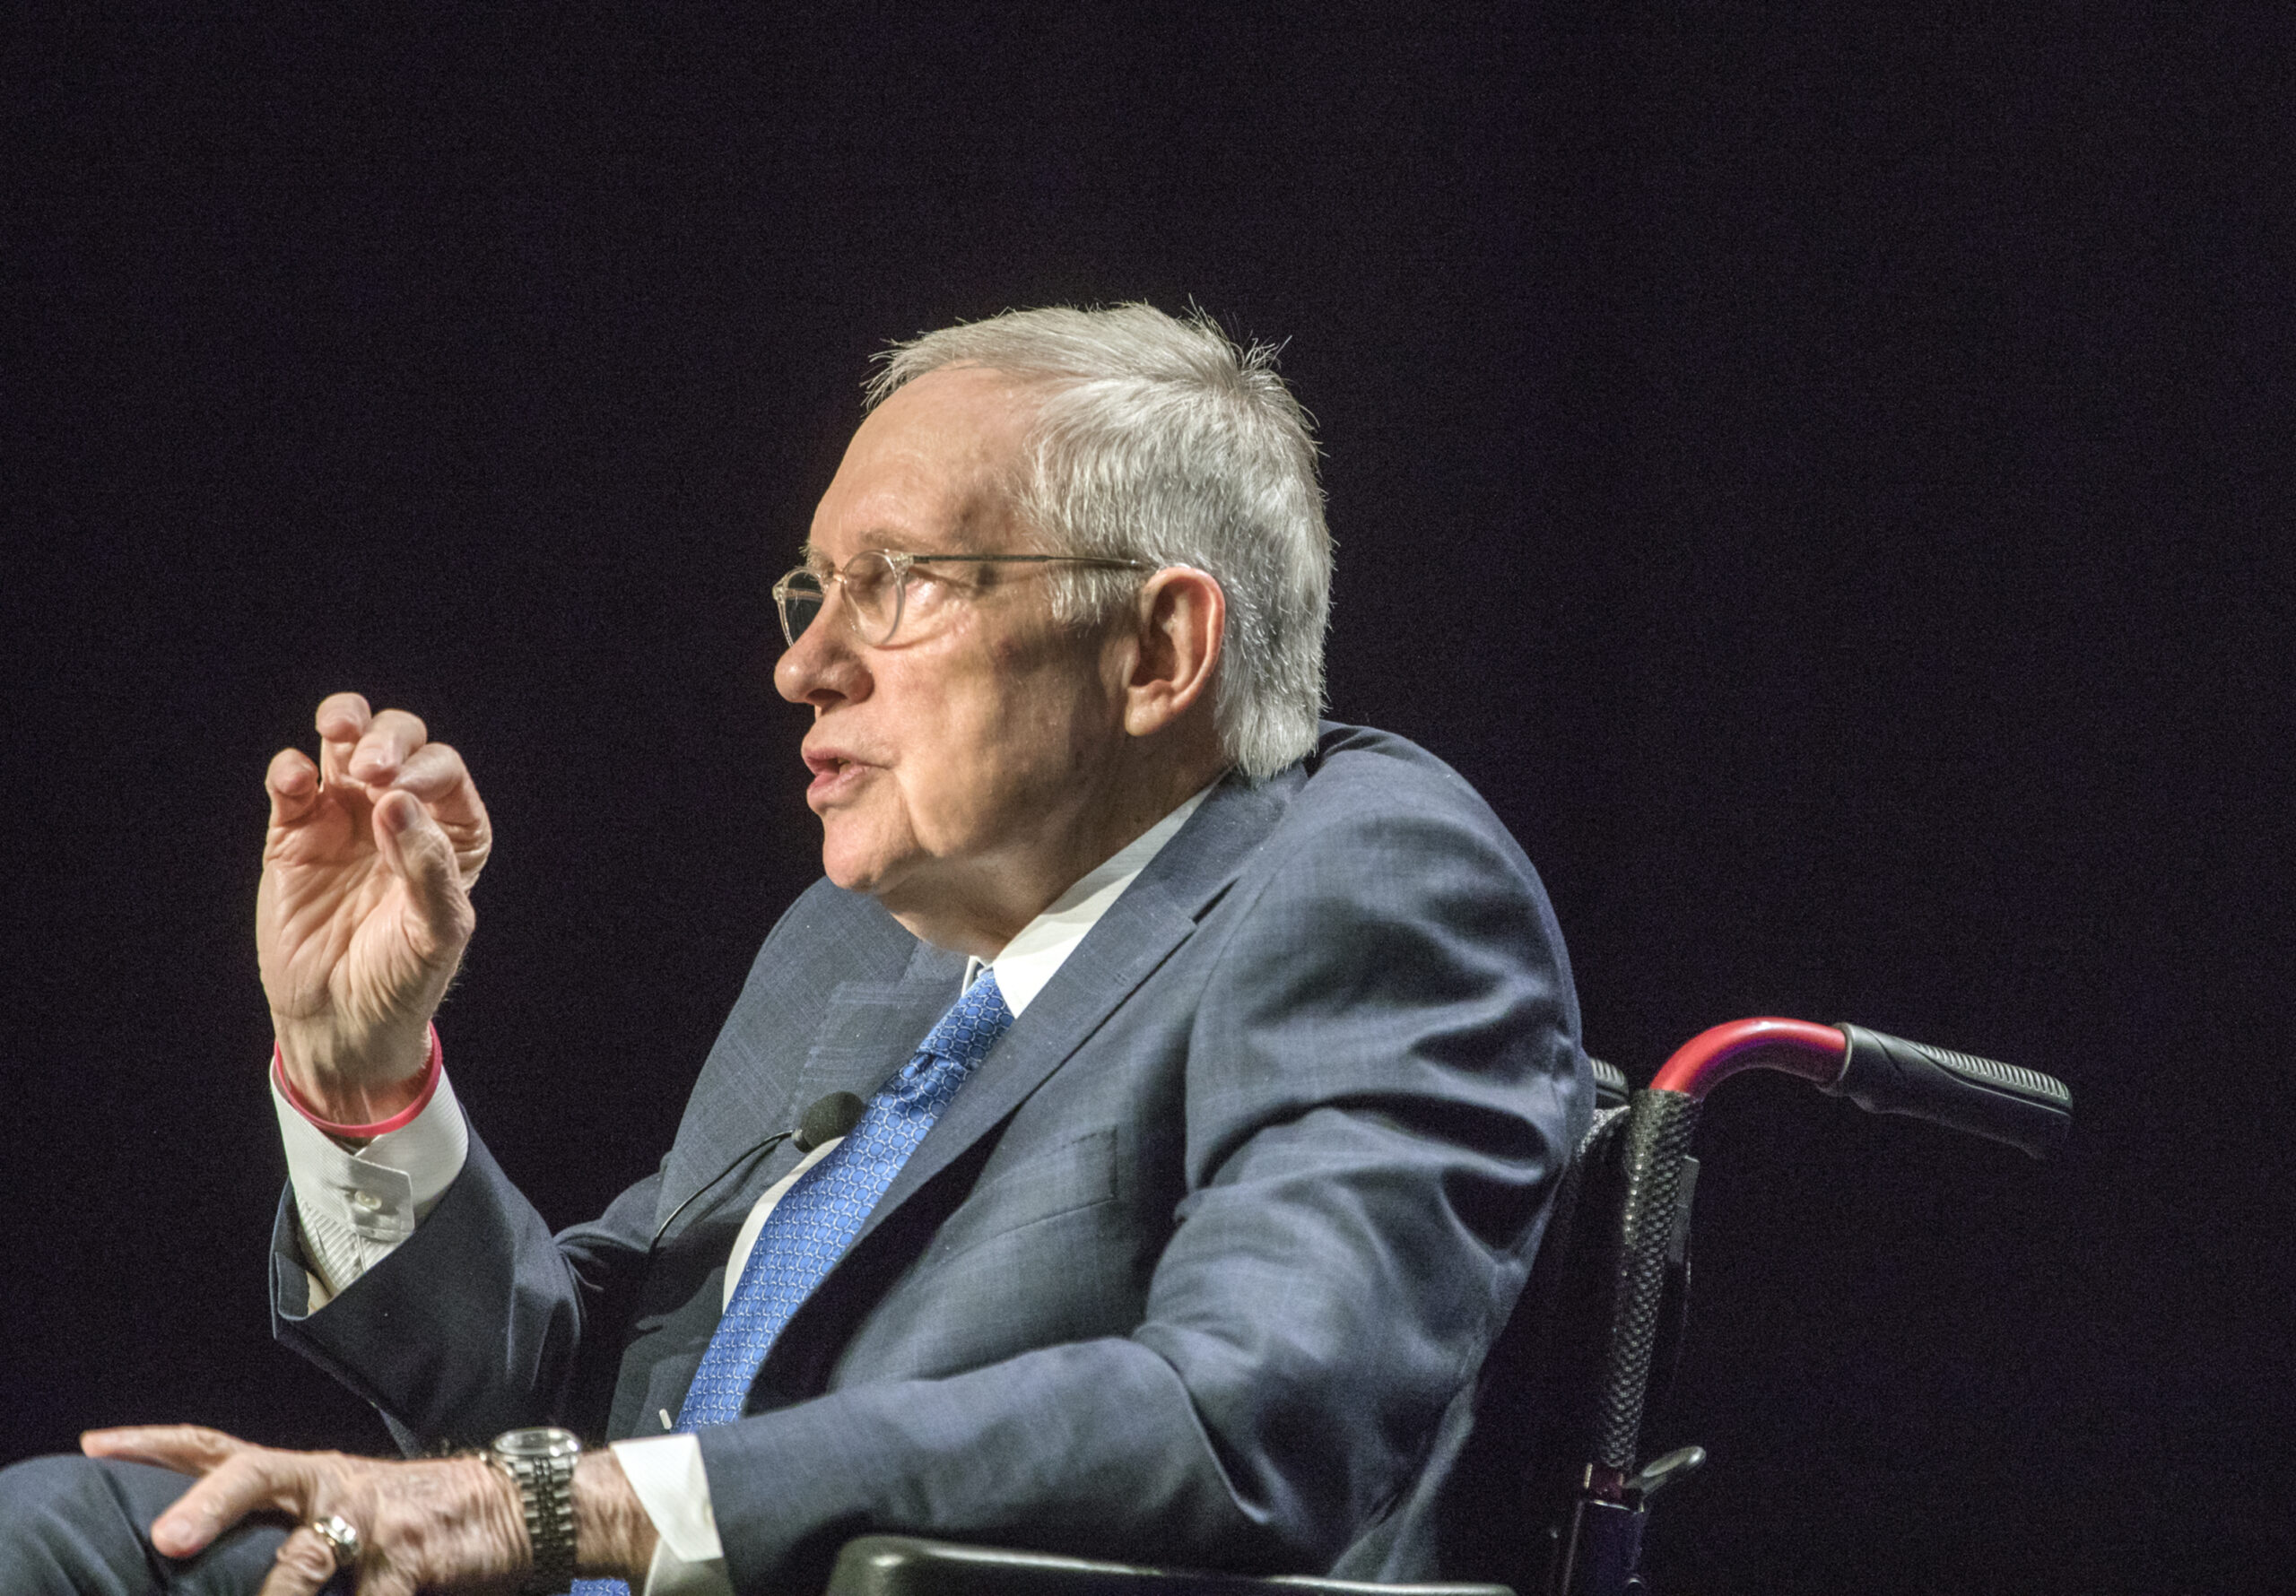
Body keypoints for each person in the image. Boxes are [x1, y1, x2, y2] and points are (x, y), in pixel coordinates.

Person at [0, 305, 1589, 1595]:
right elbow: (571, 1397)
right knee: (76, 1533)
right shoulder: (849, 947)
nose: (806, 667)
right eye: (811, 593)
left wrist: (559, 1514)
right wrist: (367, 1084)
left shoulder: (1364, 882)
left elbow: (1243, 1418)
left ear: (1158, 648)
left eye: (896, 588)